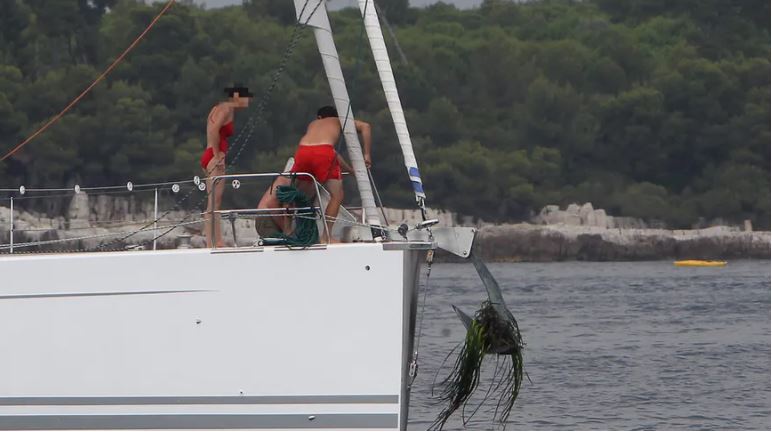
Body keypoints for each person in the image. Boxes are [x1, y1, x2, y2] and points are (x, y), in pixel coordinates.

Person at [257, 105, 371, 243]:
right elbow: (366, 127)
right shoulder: (338, 121)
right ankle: (326, 237)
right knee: (337, 195)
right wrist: (366, 155)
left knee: (292, 193)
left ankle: (287, 230)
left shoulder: (313, 124)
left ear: (319, 117)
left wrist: (351, 171)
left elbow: (329, 152)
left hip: (303, 150)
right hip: (323, 152)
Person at [201, 85, 253, 248]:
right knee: (215, 203)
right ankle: (214, 241)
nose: (248, 101)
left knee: (212, 202)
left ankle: (211, 239)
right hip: (214, 157)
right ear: (237, 96)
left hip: (208, 155)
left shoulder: (217, 108)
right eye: (246, 97)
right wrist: (217, 155)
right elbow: (215, 130)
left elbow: (211, 130)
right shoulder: (226, 109)